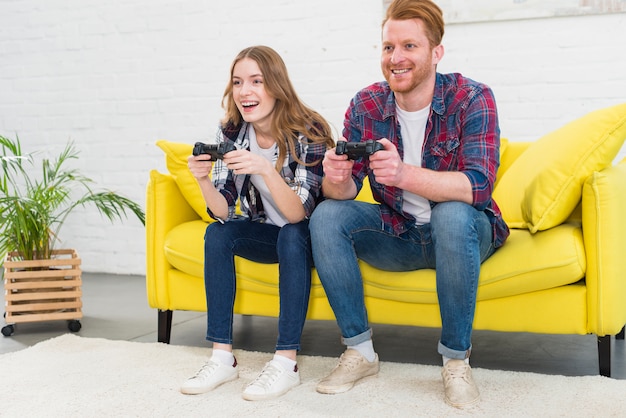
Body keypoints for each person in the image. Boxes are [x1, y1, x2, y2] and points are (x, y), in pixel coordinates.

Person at [309, 0, 509, 409]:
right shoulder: (367, 104)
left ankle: (456, 360)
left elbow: (479, 187)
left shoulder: (472, 98)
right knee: (327, 215)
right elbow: (343, 195)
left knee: (452, 213)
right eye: (387, 47)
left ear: (436, 52)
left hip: (463, 231)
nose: (395, 59)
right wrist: (337, 179)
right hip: (399, 232)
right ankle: (359, 352)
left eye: (409, 47)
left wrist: (404, 175)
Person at [182, 45, 334, 401]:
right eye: (237, 82)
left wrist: (264, 167)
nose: (244, 91)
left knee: (293, 235)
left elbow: (298, 214)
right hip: (267, 234)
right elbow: (222, 210)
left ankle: (286, 363)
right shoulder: (233, 131)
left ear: (276, 86)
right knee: (217, 234)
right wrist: (202, 180)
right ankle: (222, 357)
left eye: (256, 81)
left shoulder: (310, 130)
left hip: (309, 239)